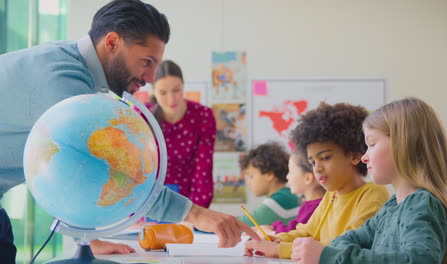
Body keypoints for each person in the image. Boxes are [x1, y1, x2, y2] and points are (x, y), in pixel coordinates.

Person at [0, 0, 260, 262]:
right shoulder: (62, 79)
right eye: (146, 62)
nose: (150, 77)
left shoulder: (69, 67)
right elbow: (105, 166)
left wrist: (93, 239)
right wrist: (195, 214)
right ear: (112, 42)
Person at [291, 97, 447, 264]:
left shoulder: (422, 204)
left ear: (402, 146)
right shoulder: (392, 207)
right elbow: (344, 240)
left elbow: (419, 261)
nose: (364, 157)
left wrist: (330, 257)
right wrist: (335, 254)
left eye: (372, 144)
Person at [245, 102, 390, 259]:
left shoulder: (373, 195)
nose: (317, 169)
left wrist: (280, 250)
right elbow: (307, 232)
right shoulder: (332, 195)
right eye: (312, 162)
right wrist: (277, 240)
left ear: (354, 156)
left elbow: (344, 246)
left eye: (325, 158)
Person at [147, 60, 215, 208]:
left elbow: (203, 168)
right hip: (148, 201)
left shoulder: (203, 115)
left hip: (188, 202)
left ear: (183, 86)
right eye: (163, 92)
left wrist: (197, 212)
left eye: (176, 90)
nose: (171, 99)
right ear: (153, 91)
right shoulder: (143, 116)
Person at [255, 151, 325, 236]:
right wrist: (273, 227)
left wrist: (272, 232)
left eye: (291, 171)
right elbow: (295, 226)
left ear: (308, 178)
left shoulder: (316, 208)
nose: (287, 176)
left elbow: (297, 234)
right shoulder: (309, 204)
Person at [238, 142, 300, 226]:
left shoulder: (277, 202)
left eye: (251, 176)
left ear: (269, 175)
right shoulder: (290, 195)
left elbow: (239, 225)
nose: (248, 182)